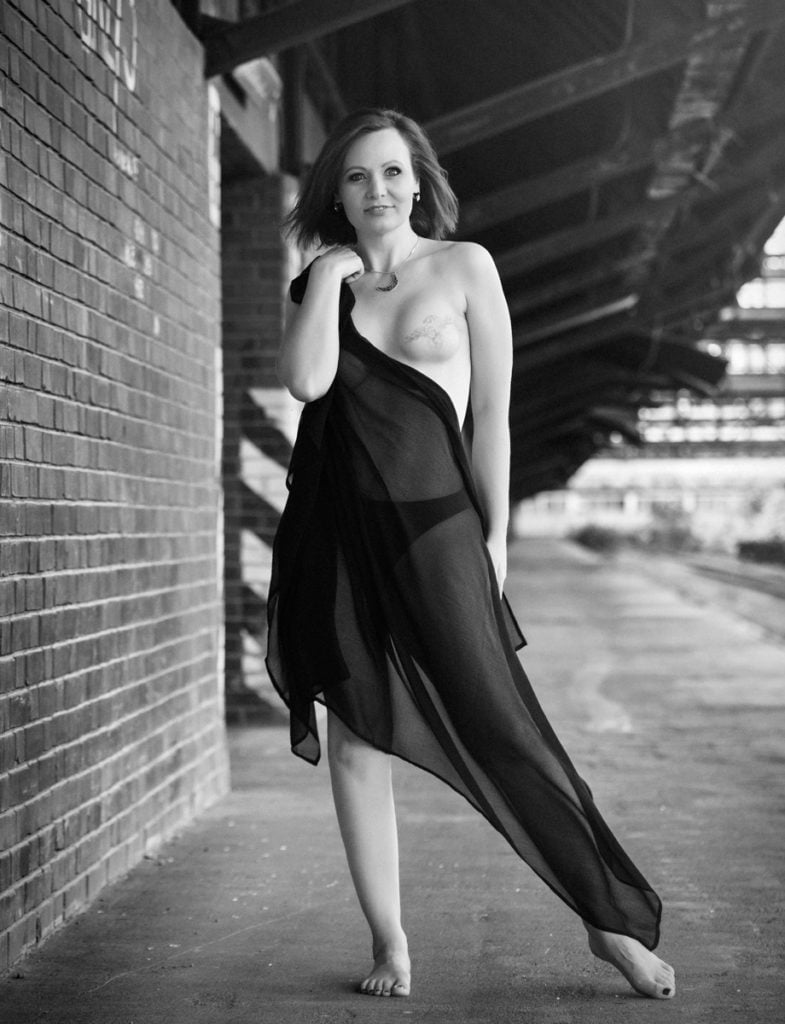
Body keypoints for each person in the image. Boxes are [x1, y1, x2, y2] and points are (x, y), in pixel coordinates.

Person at [266, 107, 676, 1001]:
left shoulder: (463, 267)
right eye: (356, 176)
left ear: (418, 181)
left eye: (391, 171)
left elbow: (491, 415)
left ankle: (605, 919)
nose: (377, 189)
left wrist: (492, 538)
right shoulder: (318, 285)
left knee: (502, 724)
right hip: (337, 536)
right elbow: (305, 382)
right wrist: (326, 274)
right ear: (335, 194)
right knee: (355, 742)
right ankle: (390, 943)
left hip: (437, 529)